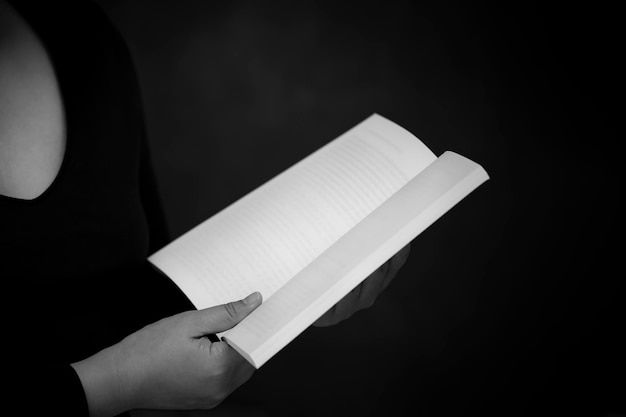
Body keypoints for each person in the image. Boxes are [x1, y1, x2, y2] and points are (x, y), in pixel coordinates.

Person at [0, 1, 410, 416]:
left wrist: (289, 297)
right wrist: (121, 381)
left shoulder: (81, 36)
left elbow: (141, 296)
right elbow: (129, 364)